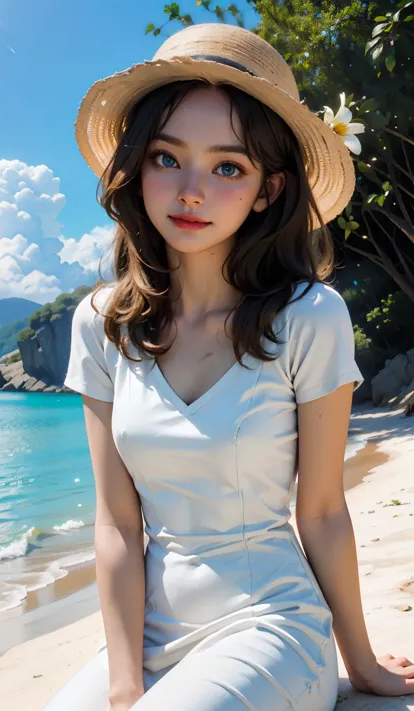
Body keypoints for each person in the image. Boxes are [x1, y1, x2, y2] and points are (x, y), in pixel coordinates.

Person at [44, 22, 414, 711]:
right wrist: (124, 684)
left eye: (226, 167)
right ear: (137, 165)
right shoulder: (101, 323)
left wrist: (361, 664)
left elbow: (325, 511)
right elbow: (118, 527)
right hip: (146, 637)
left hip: (271, 624)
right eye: (165, 157)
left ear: (268, 189)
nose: (190, 191)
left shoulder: (309, 316)